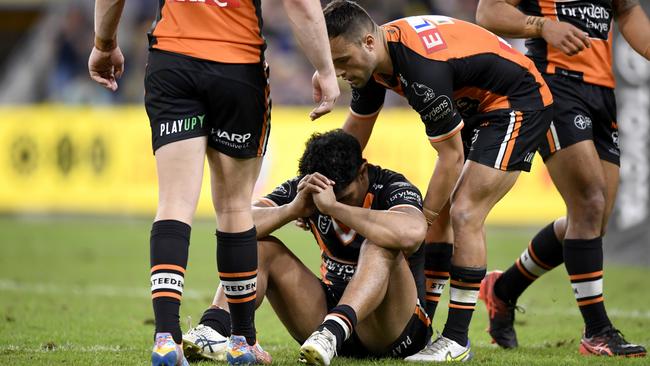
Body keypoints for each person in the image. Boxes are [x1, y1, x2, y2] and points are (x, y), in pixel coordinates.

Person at [88, 1, 339, 365]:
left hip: (173, 59)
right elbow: (300, 4)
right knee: (235, 206)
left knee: (174, 203)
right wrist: (325, 68)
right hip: (237, 66)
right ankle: (241, 341)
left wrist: (104, 43)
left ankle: (165, 338)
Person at [320, 0, 554, 361]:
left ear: (368, 43)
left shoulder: (420, 70)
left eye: (343, 62)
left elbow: (451, 156)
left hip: (516, 100)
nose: (339, 72)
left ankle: (457, 339)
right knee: (442, 213)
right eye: (332, 64)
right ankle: (424, 328)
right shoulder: (372, 58)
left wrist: (421, 221)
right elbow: (353, 140)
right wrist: (315, 181)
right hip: (476, 103)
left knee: (462, 212)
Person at [475, 0, 648, 357]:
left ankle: (502, 291)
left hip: (602, 91)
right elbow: (488, 11)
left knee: (591, 220)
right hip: (552, 84)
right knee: (590, 202)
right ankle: (597, 332)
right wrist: (540, 26)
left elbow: (628, 11)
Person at [182, 129, 431, 366]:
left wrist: (335, 208)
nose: (329, 203)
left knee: (380, 243)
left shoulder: (391, 186)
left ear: (362, 172)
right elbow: (235, 225)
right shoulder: (308, 187)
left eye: (344, 196)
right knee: (259, 245)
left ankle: (334, 329)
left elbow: (412, 233)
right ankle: (214, 327)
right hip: (324, 327)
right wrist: (291, 210)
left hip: (393, 329)